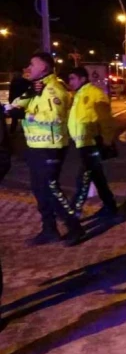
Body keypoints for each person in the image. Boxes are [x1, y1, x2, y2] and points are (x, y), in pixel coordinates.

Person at [4, 53, 84, 246]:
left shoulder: (54, 89)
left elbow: (54, 118)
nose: (28, 68)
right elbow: (14, 105)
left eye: (33, 65)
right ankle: (49, 229)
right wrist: (19, 101)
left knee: (51, 189)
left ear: (45, 69)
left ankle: (74, 227)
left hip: (50, 147)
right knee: (40, 190)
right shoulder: (37, 87)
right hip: (35, 147)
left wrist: (24, 114)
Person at [66, 67, 118, 219]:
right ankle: (110, 205)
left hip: (93, 142)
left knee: (83, 179)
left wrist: (107, 141)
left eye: (73, 78)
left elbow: (106, 120)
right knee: (97, 176)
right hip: (82, 142)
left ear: (82, 79)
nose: (70, 82)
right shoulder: (78, 95)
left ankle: (73, 212)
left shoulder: (95, 94)